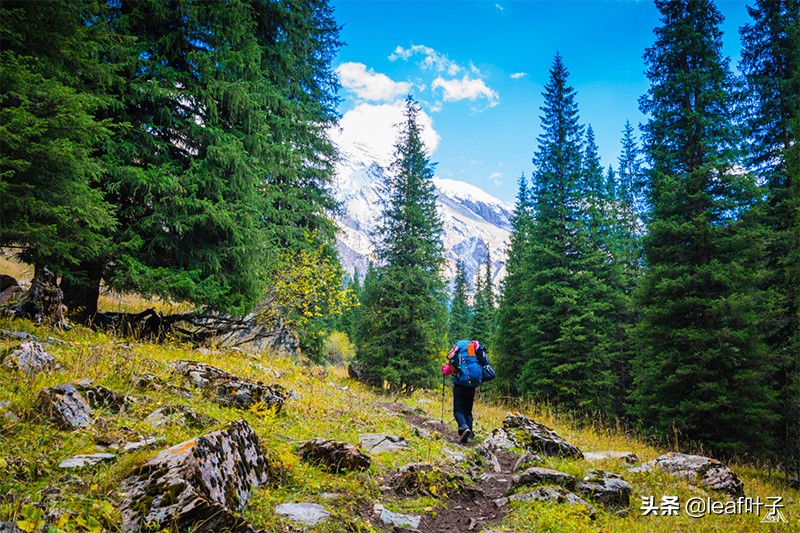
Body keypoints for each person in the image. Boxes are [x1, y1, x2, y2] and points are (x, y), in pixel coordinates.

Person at [444, 340, 490, 444]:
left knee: (458, 410)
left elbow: (448, 369)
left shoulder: (457, 351)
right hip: (471, 385)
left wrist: (444, 370)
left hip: (460, 385)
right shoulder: (472, 351)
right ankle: (469, 435)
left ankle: (464, 428)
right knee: (468, 411)